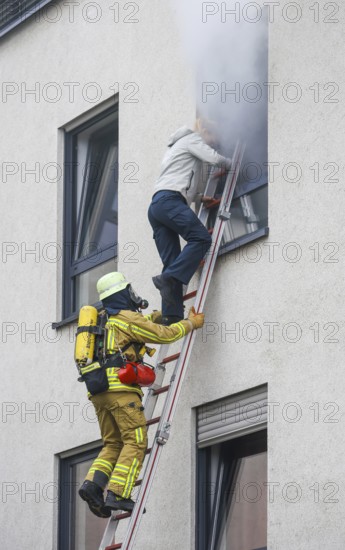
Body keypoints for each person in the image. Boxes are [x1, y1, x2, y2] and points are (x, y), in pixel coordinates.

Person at [78, 271, 204, 517]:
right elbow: (163, 335)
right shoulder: (127, 318)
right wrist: (191, 324)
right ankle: (119, 494)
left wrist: (158, 316)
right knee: (136, 440)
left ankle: (93, 485)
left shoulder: (105, 319)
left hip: (99, 393)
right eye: (129, 290)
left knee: (113, 443)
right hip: (122, 392)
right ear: (123, 293)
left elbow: (143, 325)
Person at [148, 118, 232, 325]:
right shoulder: (192, 139)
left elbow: (176, 178)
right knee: (201, 238)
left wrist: (197, 198)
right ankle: (170, 278)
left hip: (157, 206)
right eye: (213, 137)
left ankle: (172, 314)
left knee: (171, 260)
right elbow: (213, 159)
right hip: (169, 201)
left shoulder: (176, 146)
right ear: (203, 128)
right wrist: (235, 164)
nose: (213, 143)